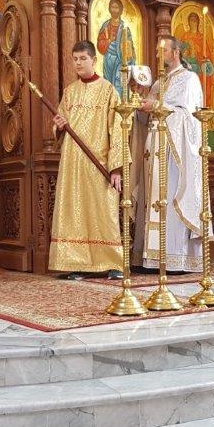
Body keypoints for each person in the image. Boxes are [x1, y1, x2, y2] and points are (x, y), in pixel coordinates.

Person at [48, 41, 124, 279]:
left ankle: (112, 263)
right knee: (75, 211)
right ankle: (78, 263)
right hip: (73, 163)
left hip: (99, 161)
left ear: (94, 60)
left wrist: (116, 167)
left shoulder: (109, 90)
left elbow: (118, 129)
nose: (78, 63)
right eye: (75, 59)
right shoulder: (70, 91)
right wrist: (59, 126)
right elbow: (59, 124)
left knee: (104, 210)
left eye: (83, 58)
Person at [134, 36, 206, 272]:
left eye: (162, 50)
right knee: (152, 199)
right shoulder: (157, 84)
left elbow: (189, 117)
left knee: (170, 199)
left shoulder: (189, 79)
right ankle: (151, 258)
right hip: (153, 149)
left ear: (175, 52)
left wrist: (155, 106)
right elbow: (144, 120)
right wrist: (140, 101)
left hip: (175, 152)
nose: (158, 55)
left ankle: (175, 258)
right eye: (157, 50)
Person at [95, 0, 137, 97]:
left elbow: (129, 45)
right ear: (109, 9)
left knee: (120, 82)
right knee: (108, 83)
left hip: (121, 59)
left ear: (121, 10)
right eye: (112, 7)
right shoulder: (105, 25)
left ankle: (121, 102)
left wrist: (127, 51)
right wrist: (107, 42)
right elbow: (100, 43)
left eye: (116, 7)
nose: (114, 10)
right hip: (108, 58)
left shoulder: (124, 27)